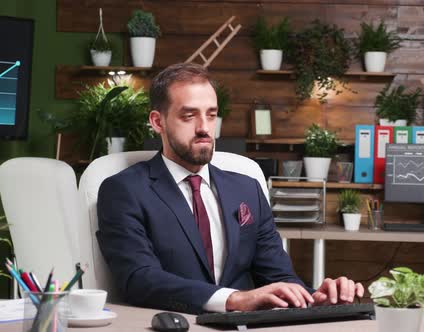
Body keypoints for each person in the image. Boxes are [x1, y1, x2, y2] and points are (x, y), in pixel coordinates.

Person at [96, 62, 364, 314]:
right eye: (189, 115)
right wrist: (234, 299)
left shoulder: (248, 189)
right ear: (158, 122)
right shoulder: (124, 191)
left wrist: (314, 298)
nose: (204, 128)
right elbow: (139, 279)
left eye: (211, 115)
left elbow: (278, 277)